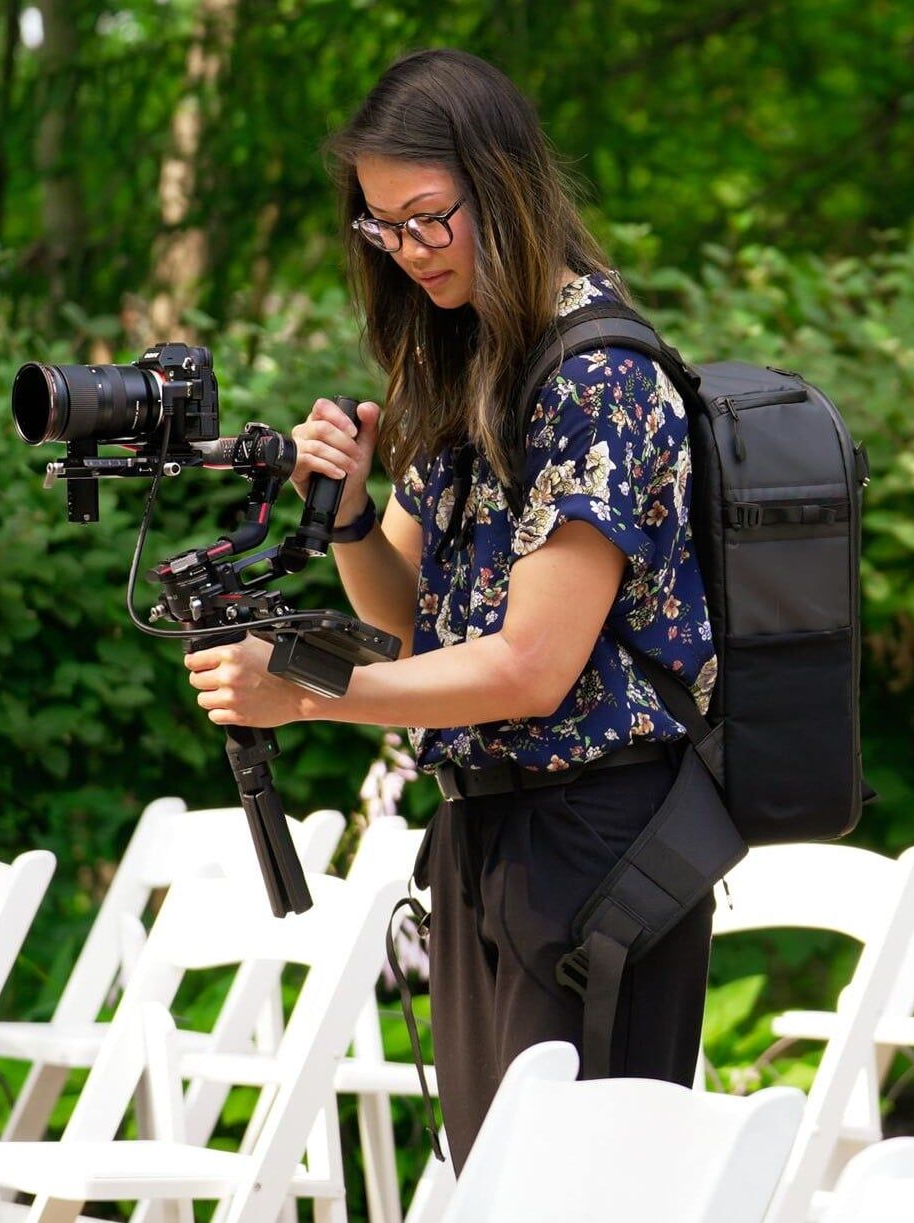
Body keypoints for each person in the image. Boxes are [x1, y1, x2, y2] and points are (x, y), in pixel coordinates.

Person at [183, 47, 718, 1170]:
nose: (409, 251)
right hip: (487, 831)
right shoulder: (474, 359)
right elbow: (414, 619)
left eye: (429, 219)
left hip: (601, 840)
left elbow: (530, 665)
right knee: (497, 1180)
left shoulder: (596, 378)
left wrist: (309, 696)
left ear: (505, 185)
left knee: (581, 1189)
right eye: (383, 227)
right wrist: (345, 517)